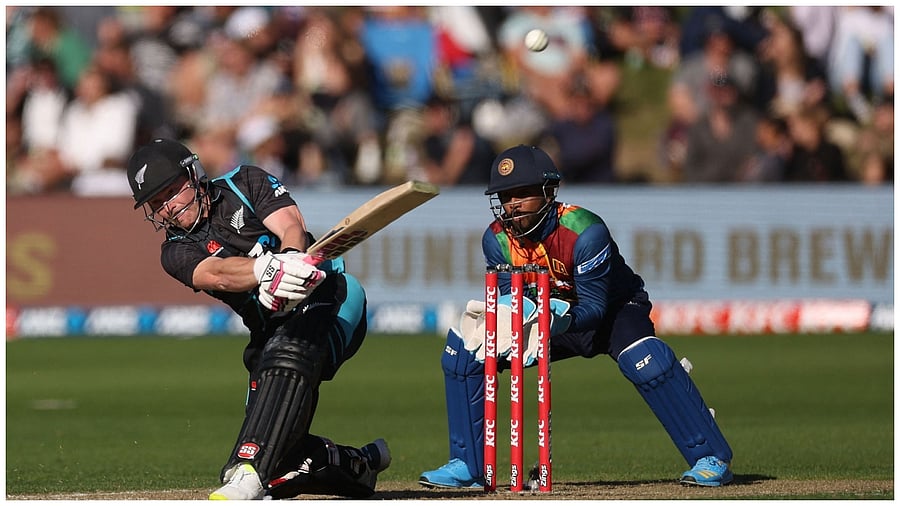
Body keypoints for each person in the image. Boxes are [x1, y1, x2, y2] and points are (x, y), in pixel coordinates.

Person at [418, 144, 733, 489]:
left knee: (646, 360)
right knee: (465, 353)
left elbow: (595, 308)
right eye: (505, 195)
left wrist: (552, 317)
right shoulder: (497, 239)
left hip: (613, 312)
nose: (512, 204)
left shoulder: (585, 230)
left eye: (522, 193)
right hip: (547, 318)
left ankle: (710, 456)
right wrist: (513, 317)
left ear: (548, 191)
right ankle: (466, 465)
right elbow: (512, 299)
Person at [125, 138, 391, 500]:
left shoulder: (244, 182)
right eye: (156, 203)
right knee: (278, 453)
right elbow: (216, 272)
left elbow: (291, 225)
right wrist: (266, 270)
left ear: (194, 175)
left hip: (331, 299)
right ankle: (357, 465)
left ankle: (249, 473)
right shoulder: (175, 251)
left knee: (287, 360)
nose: (167, 208)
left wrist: (291, 260)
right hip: (269, 331)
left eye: (171, 192)